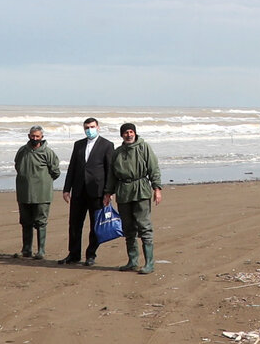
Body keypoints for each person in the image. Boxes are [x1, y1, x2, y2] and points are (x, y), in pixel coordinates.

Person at [103, 122, 163, 274]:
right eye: (125, 132)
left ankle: (149, 263)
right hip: (123, 191)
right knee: (128, 228)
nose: (128, 135)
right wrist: (108, 193)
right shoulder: (117, 152)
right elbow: (112, 175)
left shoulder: (144, 147)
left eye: (131, 132)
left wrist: (157, 188)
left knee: (144, 226)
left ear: (135, 133)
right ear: (121, 135)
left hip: (141, 189)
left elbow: (153, 168)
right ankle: (133, 260)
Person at [59, 117, 115, 267]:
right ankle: (73, 254)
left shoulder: (107, 145)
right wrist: (66, 189)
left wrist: (108, 192)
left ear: (98, 127)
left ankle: (91, 254)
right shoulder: (78, 145)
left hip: (97, 191)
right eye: (86, 127)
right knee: (74, 224)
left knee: (95, 225)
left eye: (92, 127)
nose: (89, 130)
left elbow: (110, 170)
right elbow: (72, 168)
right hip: (78, 190)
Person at [14, 125, 60, 259]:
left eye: (37, 136)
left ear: (42, 137)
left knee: (41, 222)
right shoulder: (22, 151)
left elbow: (55, 172)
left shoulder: (48, 153)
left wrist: (43, 181)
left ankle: (41, 250)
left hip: (42, 194)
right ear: (29, 136)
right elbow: (17, 165)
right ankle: (26, 249)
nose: (35, 138)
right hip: (24, 193)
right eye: (32, 136)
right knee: (25, 221)